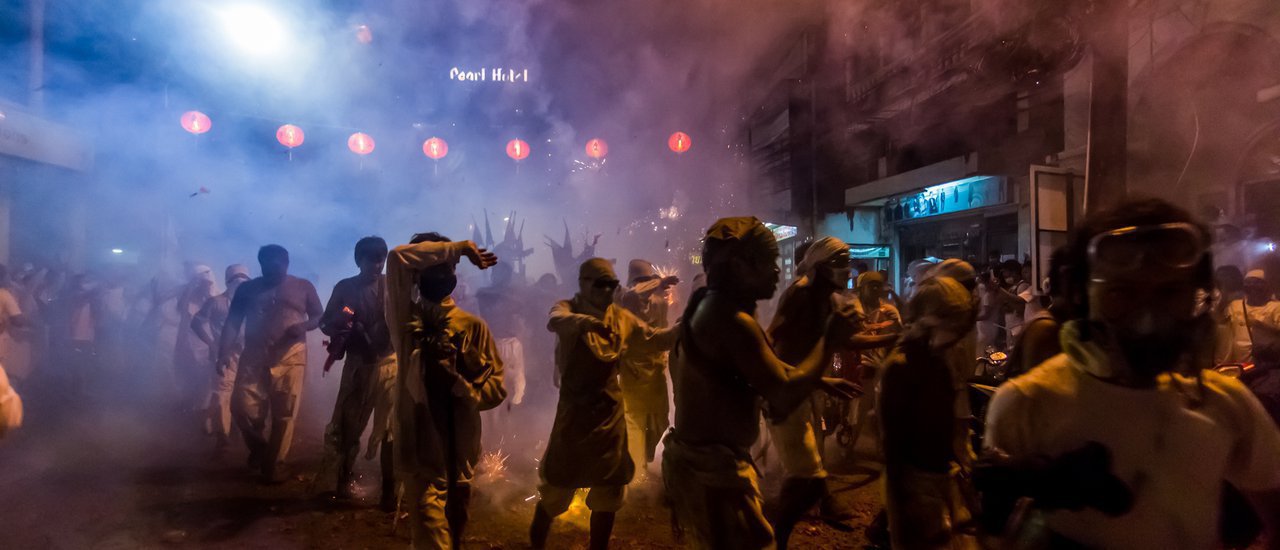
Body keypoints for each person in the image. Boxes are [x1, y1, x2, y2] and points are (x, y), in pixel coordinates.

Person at [983, 199, 1280, 548]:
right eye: (1122, 292)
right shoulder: (1025, 405)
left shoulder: (1226, 405)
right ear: (1082, 296)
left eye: (1169, 291)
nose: (1148, 316)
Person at [661, 217, 857, 549]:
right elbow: (782, 392)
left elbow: (754, 367)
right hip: (713, 474)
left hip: (707, 468)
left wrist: (819, 379)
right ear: (739, 265)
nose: (777, 271)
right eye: (768, 262)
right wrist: (829, 340)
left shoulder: (713, 307)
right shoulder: (733, 320)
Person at [529, 258, 678, 550]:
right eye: (601, 284)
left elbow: (655, 339)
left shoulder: (621, 317)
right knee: (555, 493)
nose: (607, 290)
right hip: (574, 418)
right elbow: (554, 320)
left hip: (609, 418)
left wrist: (689, 323)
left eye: (611, 284)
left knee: (609, 494)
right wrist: (587, 323)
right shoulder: (568, 307)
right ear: (584, 285)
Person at [765, 238, 895, 548]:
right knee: (805, 471)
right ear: (820, 267)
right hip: (788, 389)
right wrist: (770, 377)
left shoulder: (831, 300)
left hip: (809, 383)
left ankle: (799, 510)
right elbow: (775, 337)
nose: (847, 269)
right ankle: (777, 530)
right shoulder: (799, 294)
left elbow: (846, 340)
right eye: (840, 263)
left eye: (848, 262)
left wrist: (898, 335)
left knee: (812, 457)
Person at [385, 233, 505, 550]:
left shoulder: (472, 326)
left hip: (460, 446)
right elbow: (397, 258)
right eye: (430, 265)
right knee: (431, 528)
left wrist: (469, 392)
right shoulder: (405, 320)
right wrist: (459, 248)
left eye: (446, 266)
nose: (440, 274)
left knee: (453, 528)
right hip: (418, 444)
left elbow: (497, 386)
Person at [877, 276, 980, 550]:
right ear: (928, 320)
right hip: (916, 485)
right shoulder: (900, 367)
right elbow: (892, 451)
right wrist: (899, 520)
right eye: (953, 328)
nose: (959, 337)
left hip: (941, 479)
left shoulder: (939, 359)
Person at [218, 245, 323, 484]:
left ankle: (274, 464)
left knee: (285, 412)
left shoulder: (302, 287)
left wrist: (304, 326)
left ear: (287, 264)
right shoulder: (247, 289)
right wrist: (223, 353)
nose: (274, 271)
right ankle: (260, 449)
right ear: (261, 265)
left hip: (291, 355)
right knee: (241, 407)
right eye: (269, 266)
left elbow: (319, 315)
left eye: (279, 266)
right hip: (254, 353)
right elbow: (233, 323)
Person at [319, 237, 398, 507]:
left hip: (390, 364)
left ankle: (389, 490)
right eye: (371, 259)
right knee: (348, 426)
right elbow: (326, 322)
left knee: (390, 429)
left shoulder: (393, 284)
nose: (377, 265)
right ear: (358, 260)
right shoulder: (346, 287)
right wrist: (343, 323)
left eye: (381, 259)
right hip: (358, 364)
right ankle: (341, 482)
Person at [616, 258, 679, 483]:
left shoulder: (660, 300)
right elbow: (632, 296)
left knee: (659, 418)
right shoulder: (624, 297)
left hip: (655, 369)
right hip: (632, 369)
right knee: (633, 420)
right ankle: (634, 473)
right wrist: (658, 283)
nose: (644, 284)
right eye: (641, 280)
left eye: (647, 280)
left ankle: (643, 457)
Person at [191, 264, 251, 456]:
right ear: (228, 282)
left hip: (249, 355)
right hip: (224, 355)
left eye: (243, 279)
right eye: (236, 279)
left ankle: (217, 423)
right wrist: (212, 344)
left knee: (244, 394)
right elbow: (197, 322)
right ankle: (222, 436)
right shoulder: (216, 302)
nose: (239, 282)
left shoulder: (256, 302)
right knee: (222, 394)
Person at [845, 270, 903, 457]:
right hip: (858, 362)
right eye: (873, 286)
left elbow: (899, 333)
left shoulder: (889, 310)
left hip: (883, 363)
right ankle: (852, 445)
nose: (878, 289)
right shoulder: (852, 309)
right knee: (864, 404)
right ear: (861, 289)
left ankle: (881, 448)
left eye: (879, 285)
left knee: (883, 407)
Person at [475, 262, 528, 452]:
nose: (499, 277)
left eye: (503, 274)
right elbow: (490, 299)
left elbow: (519, 307)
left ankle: (507, 442)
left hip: (512, 345)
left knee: (515, 391)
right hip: (492, 345)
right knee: (492, 393)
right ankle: (491, 443)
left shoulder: (513, 296)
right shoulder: (486, 294)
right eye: (497, 273)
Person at [174, 264, 218, 412]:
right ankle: (188, 403)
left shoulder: (216, 298)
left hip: (207, 343)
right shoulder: (190, 296)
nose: (204, 285)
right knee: (188, 373)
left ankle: (202, 408)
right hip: (188, 341)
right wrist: (190, 288)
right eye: (200, 282)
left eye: (206, 282)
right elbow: (180, 309)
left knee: (205, 377)